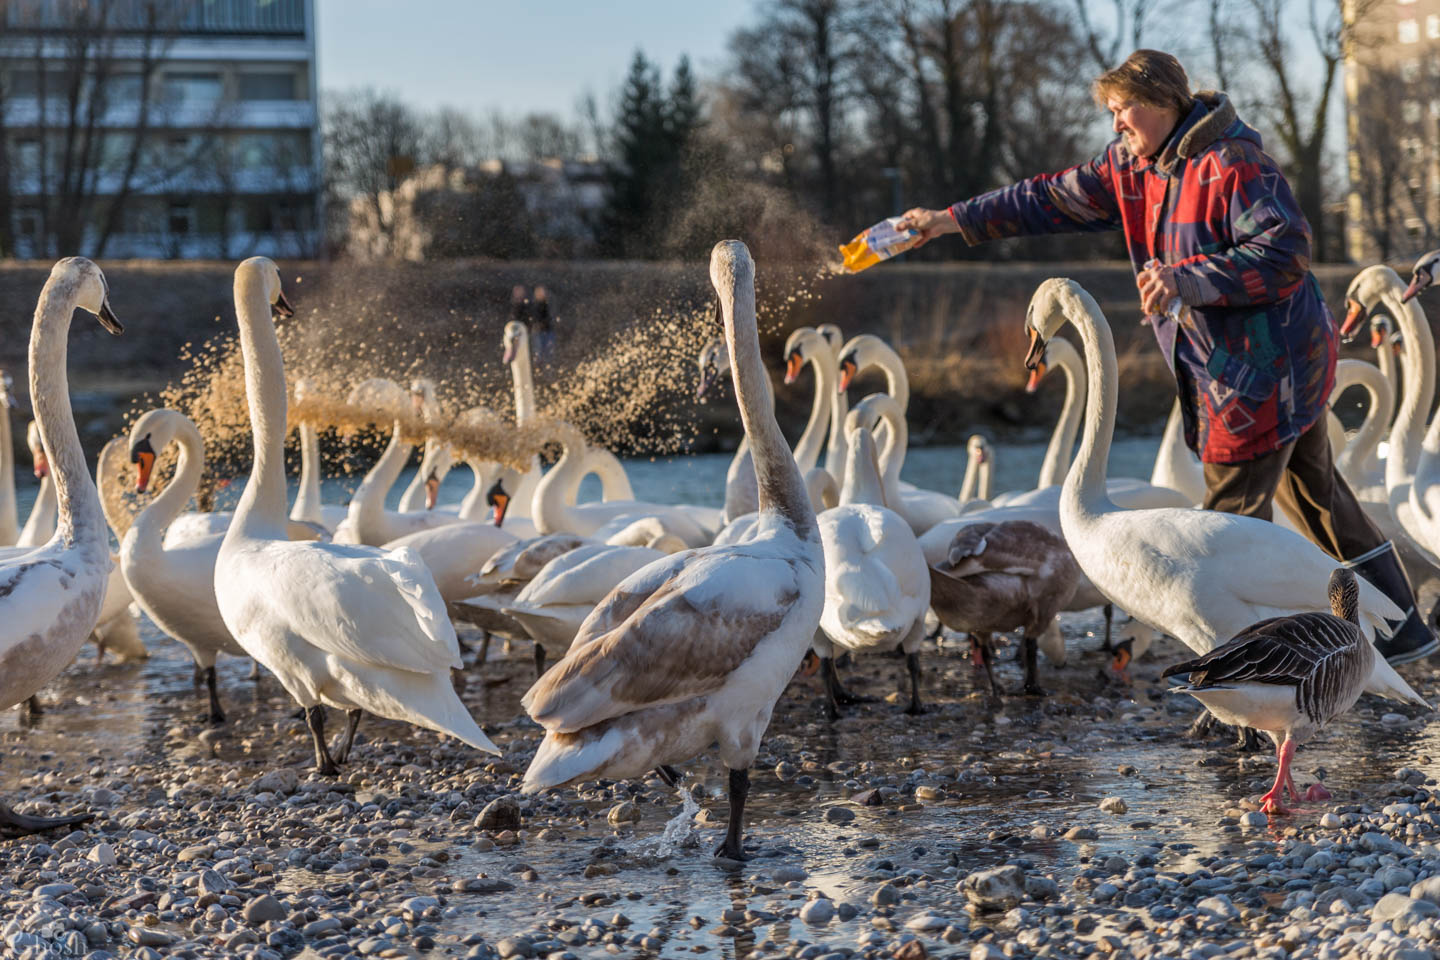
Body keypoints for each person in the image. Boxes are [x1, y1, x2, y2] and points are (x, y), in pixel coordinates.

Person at [898, 49, 1435, 664]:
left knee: (1222, 533)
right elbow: (1044, 198)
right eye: (1111, 114)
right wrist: (948, 221)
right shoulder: (1133, 167)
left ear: (1160, 102)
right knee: (1319, 498)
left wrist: (1188, 280)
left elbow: (1286, 250)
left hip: (1260, 374)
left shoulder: (1234, 162)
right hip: (1253, 371)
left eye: (1122, 111)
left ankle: (1237, 679)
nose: (1116, 126)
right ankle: (1403, 634)